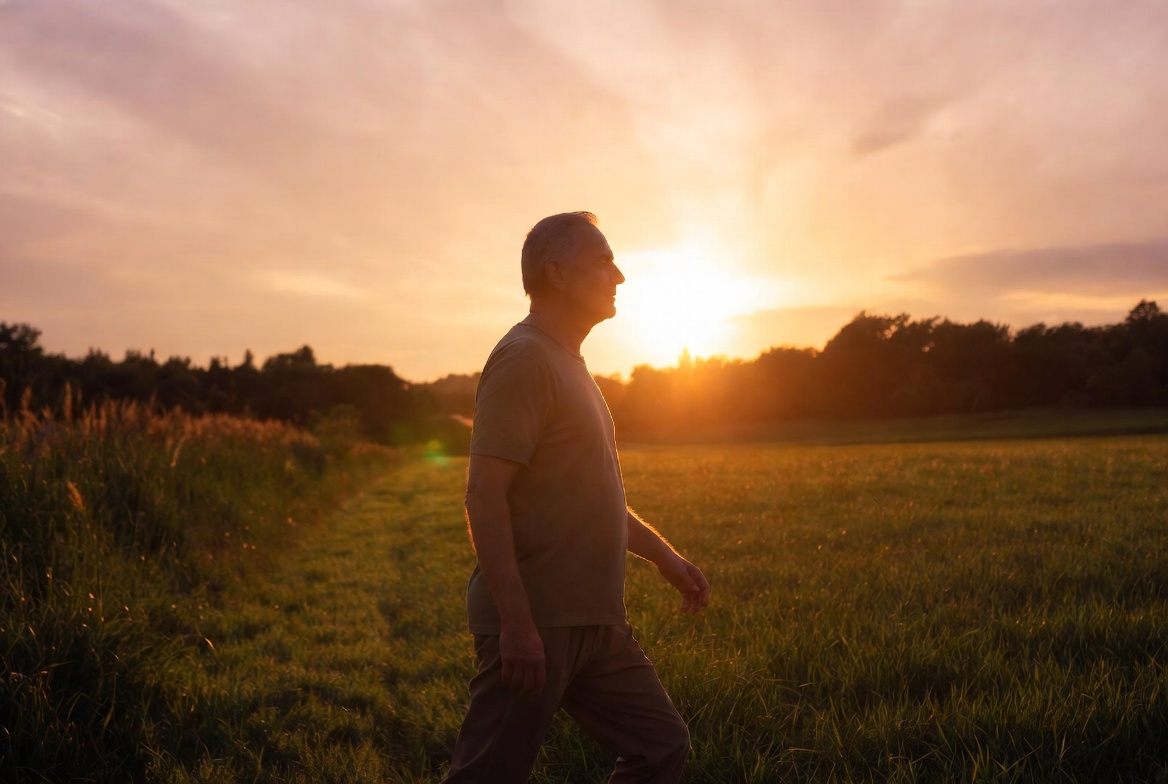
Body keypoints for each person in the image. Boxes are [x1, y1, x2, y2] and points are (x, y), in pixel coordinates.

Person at [442, 212, 711, 783]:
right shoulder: (525, 359)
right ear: (557, 273)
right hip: (539, 620)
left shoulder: (570, 364)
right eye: (603, 261)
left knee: (660, 746)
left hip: (596, 621)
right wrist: (516, 623)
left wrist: (666, 558)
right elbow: (484, 495)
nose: (619, 276)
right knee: (487, 775)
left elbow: (599, 497)